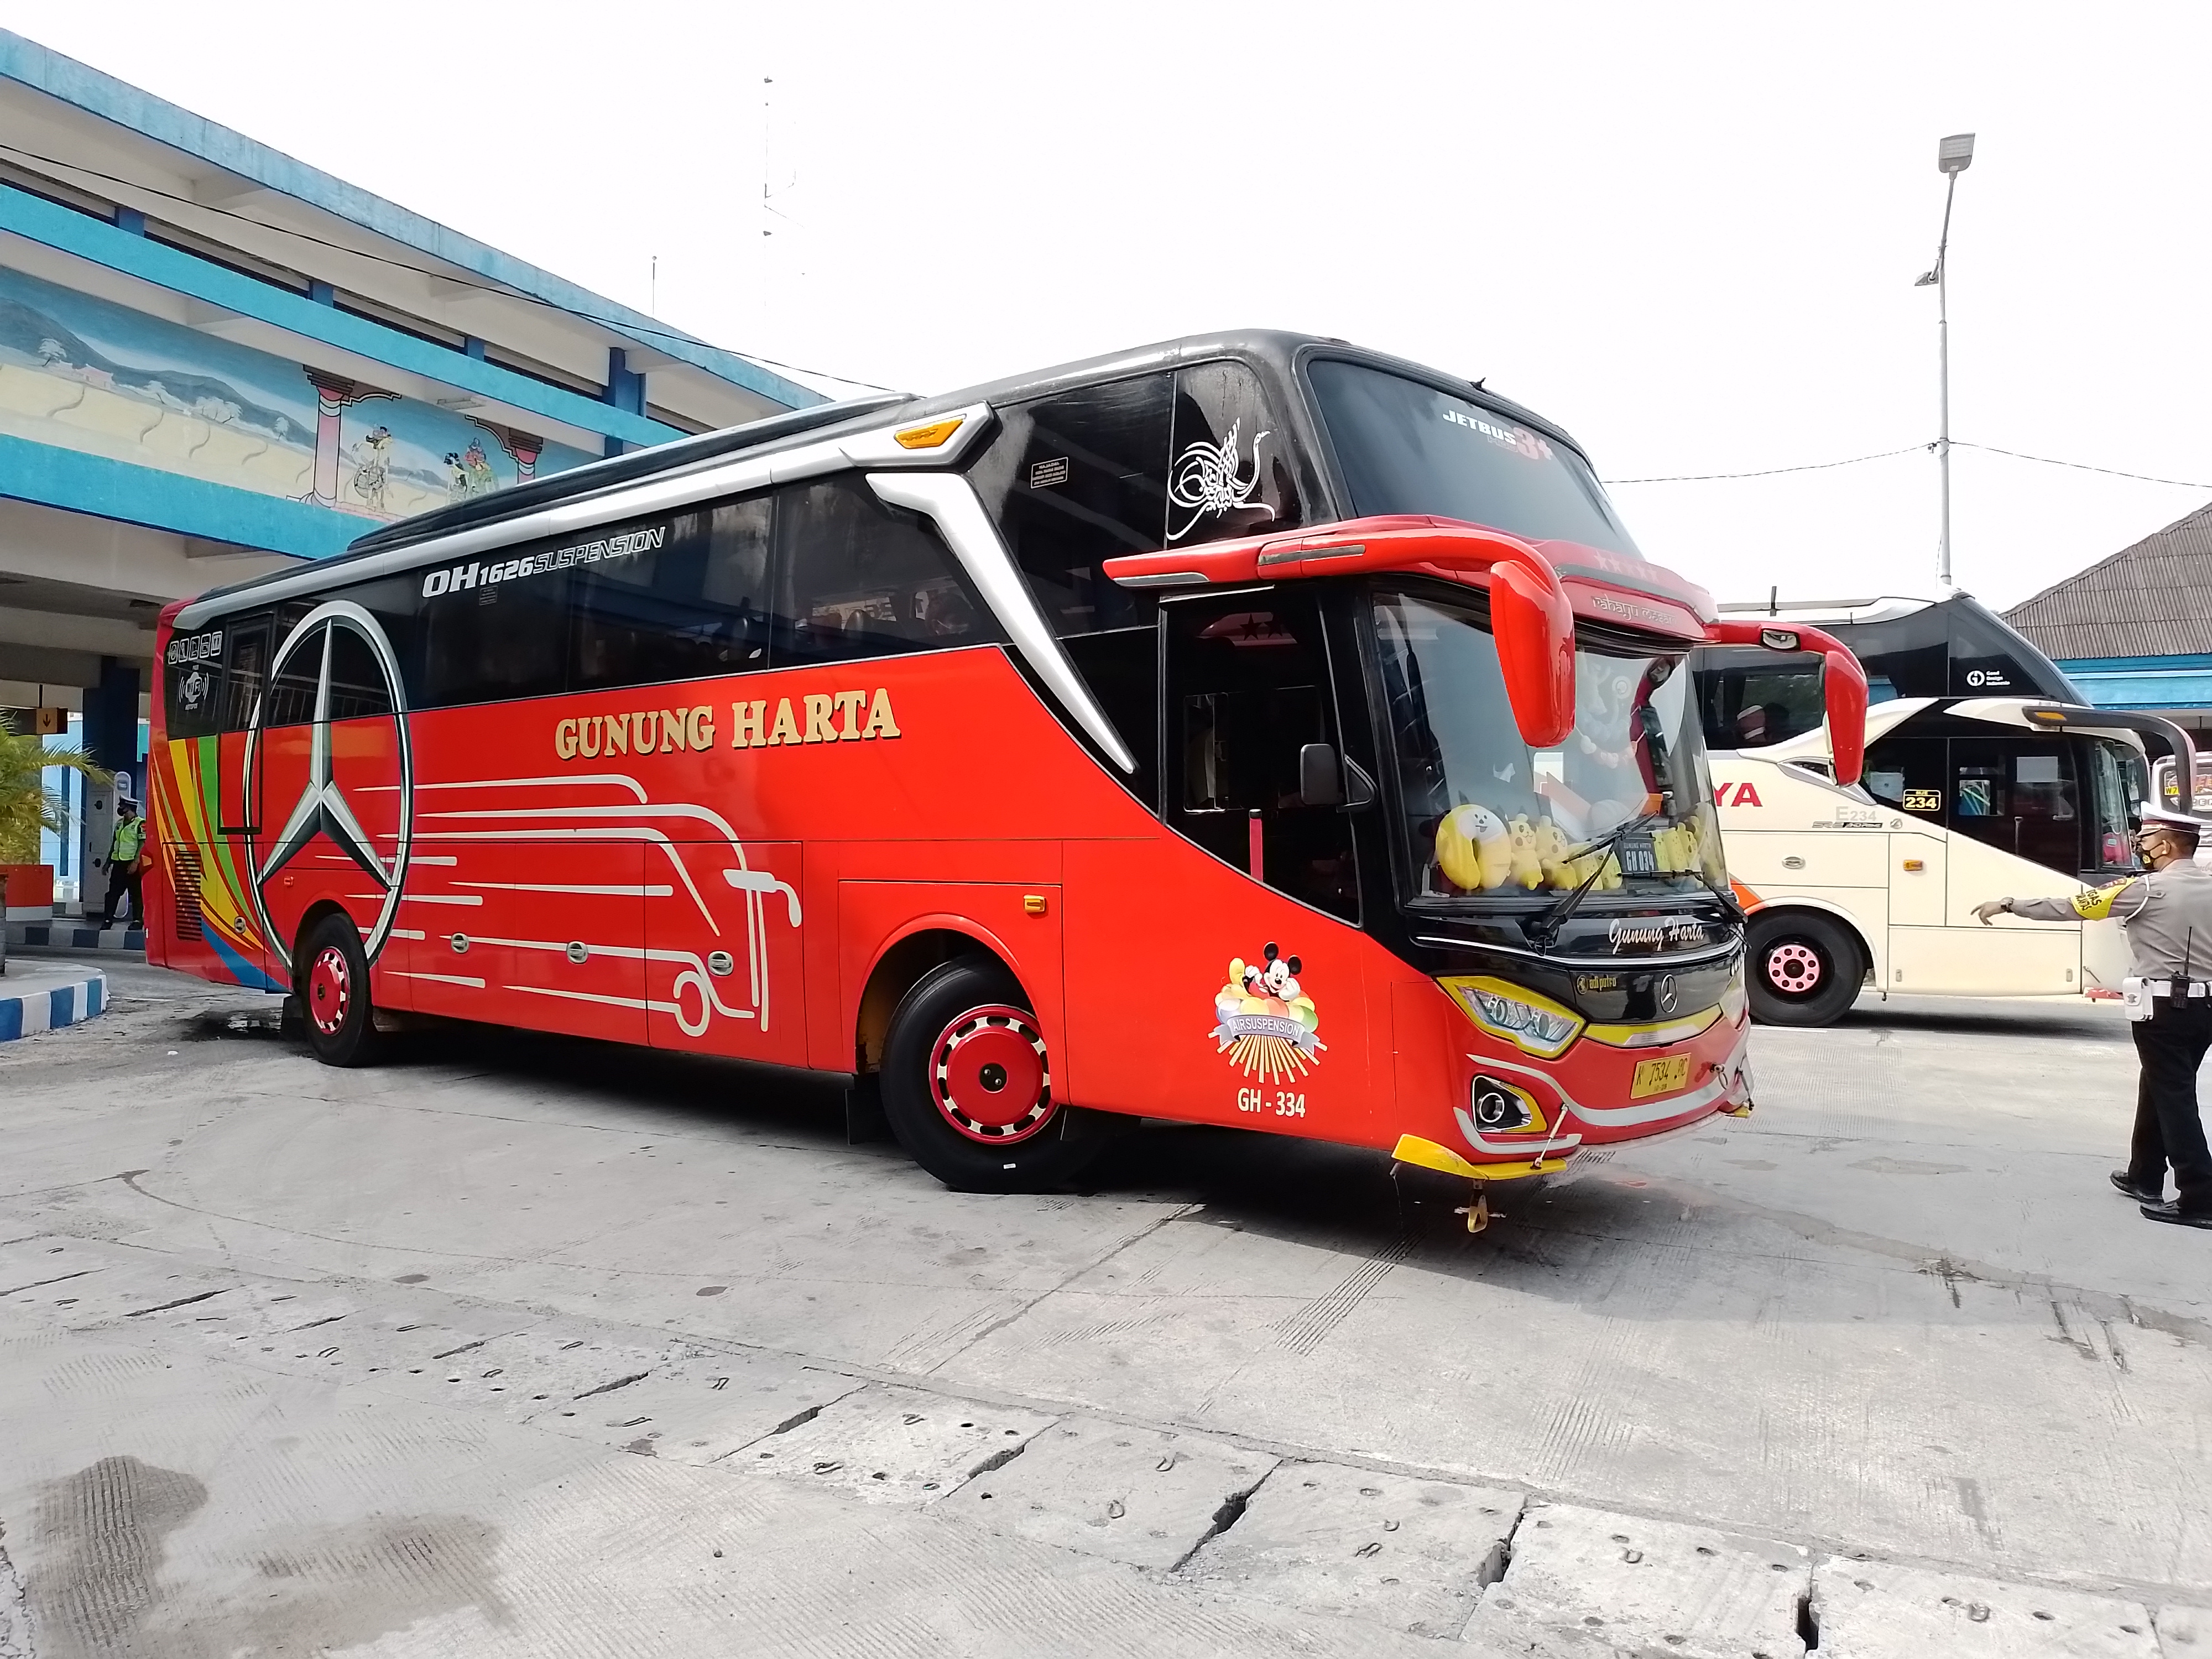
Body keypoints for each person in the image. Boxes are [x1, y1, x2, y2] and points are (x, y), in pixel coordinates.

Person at [1974, 804, 2212, 1229]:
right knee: (2161, 1086)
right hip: (2205, 1009)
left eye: (2145, 839)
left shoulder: (2146, 891)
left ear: (2166, 844)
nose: (2140, 845)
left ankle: (2200, 1196)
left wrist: (2010, 904)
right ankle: (2144, 1175)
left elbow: (2072, 907)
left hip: (2164, 1011)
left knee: (2174, 1097)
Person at [98, 790, 146, 930]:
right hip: (118, 863)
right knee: (113, 893)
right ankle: (108, 919)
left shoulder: (140, 824)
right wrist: (108, 863)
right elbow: (115, 844)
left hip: (132, 864)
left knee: (136, 893)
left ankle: (137, 921)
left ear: (130, 807)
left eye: (122, 806)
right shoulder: (119, 824)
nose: (120, 808)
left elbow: (142, 844)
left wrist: (135, 863)